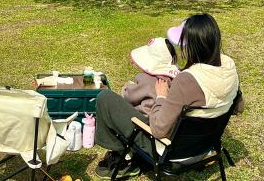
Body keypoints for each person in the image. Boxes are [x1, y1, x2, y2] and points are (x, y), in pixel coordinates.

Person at [95, 14, 244, 179]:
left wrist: (161, 97)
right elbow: (238, 107)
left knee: (105, 98)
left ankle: (125, 158)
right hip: (204, 147)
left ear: (192, 47)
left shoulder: (188, 79)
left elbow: (159, 130)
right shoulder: (229, 67)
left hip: (170, 153)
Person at [121, 37, 179, 114]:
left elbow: (129, 97)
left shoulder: (148, 79)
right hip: (167, 117)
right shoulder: (177, 78)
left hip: (146, 118)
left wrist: (126, 87)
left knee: (105, 97)